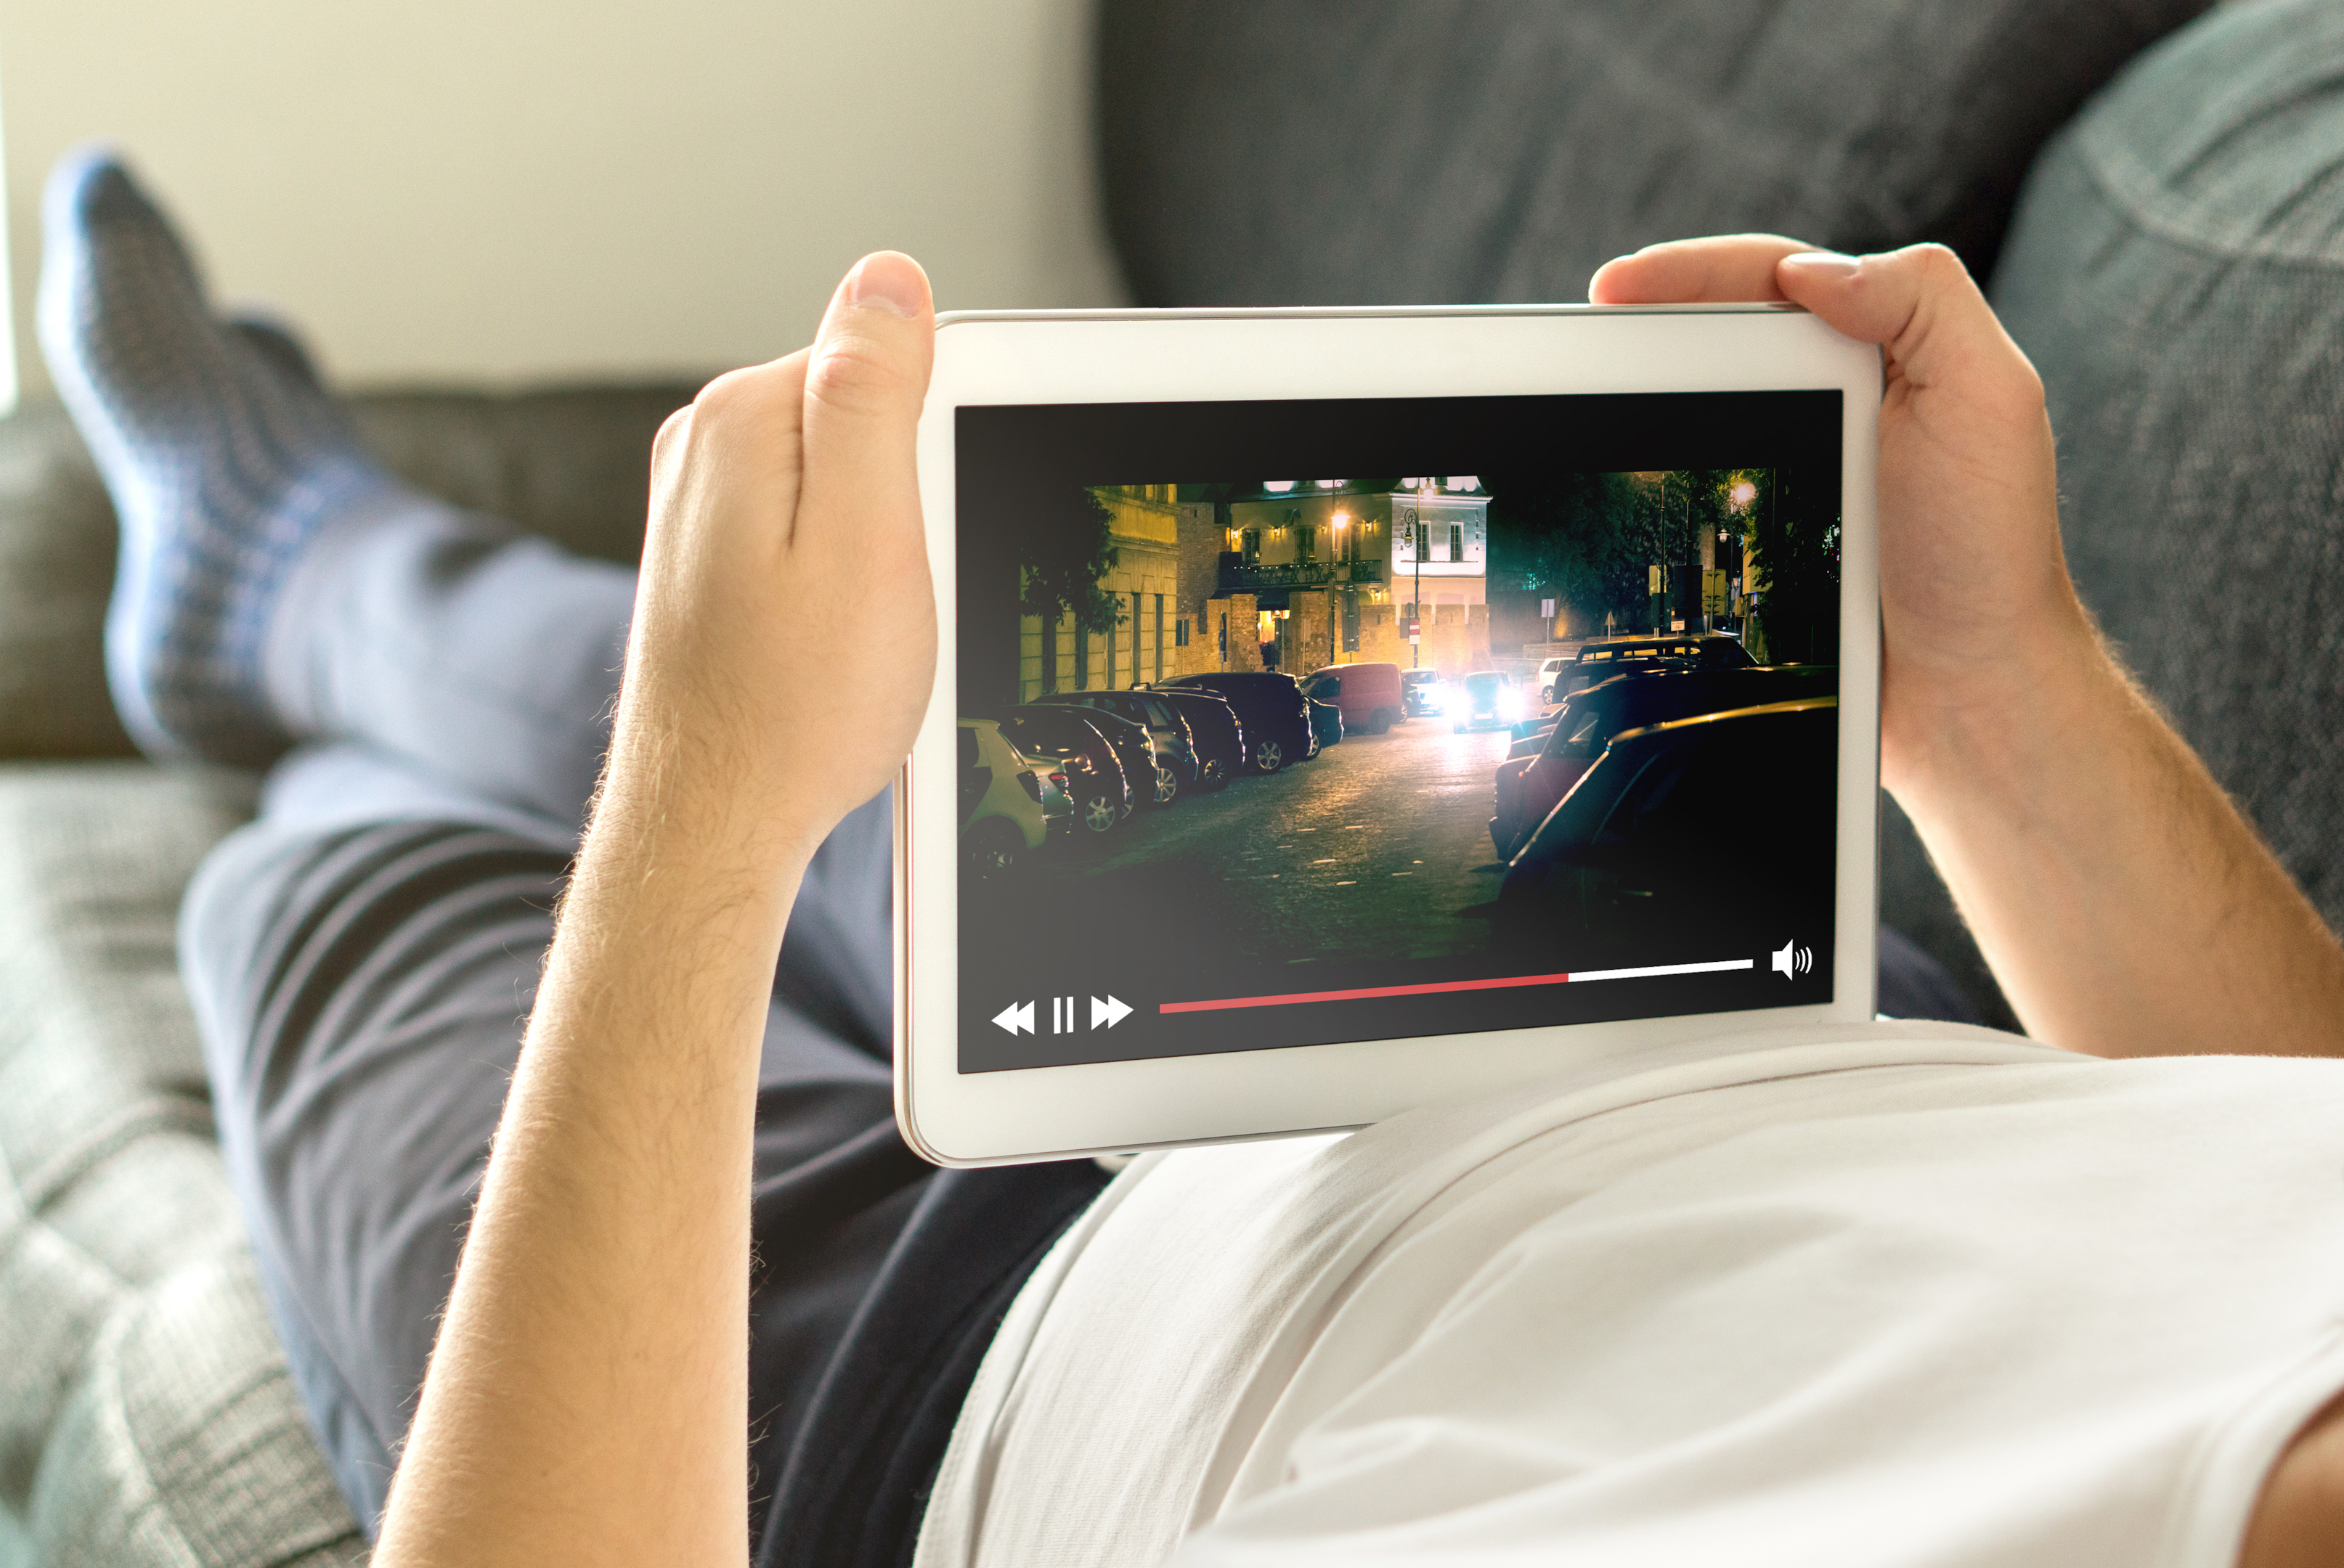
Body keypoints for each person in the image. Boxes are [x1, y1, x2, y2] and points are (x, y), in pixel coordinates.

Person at [40, 143, 2344, 1568]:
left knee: (367, 890)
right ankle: (298, 566)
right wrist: (1987, 684)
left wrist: (701, 830)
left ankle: (294, 662)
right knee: (770, 679)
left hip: (978, 1390)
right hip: (1739, 1011)